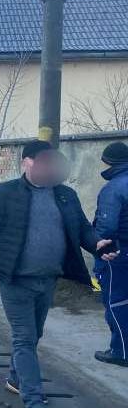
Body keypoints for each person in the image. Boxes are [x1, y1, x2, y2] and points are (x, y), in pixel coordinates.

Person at [0, 140, 118, 408]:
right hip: (14, 279)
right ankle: (34, 399)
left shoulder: (65, 195)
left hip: (47, 279)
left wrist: (97, 245)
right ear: (27, 163)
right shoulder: (4, 193)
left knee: (34, 334)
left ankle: (15, 378)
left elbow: (82, 228)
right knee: (24, 338)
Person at [93, 142, 128, 367]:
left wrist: (100, 252)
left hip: (118, 255)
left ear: (110, 162)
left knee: (117, 303)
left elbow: (105, 227)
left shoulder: (113, 188)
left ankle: (120, 352)